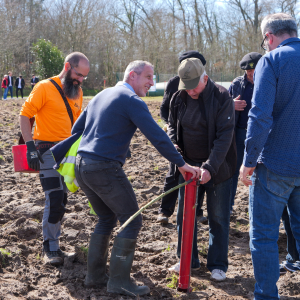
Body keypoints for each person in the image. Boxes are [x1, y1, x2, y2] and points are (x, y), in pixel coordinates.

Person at [72, 60, 201, 296]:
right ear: (132, 75)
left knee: (105, 218)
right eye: (149, 77)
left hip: (82, 166)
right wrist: (182, 165)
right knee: (132, 221)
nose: (152, 83)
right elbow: (157, 137)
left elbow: (76, 130)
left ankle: (95, 276)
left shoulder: (102, 94)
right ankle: (119, 281)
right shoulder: (131, 100)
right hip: (104, 167)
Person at [239, 13, 300, 299]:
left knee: (263, 235)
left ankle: (265, 295)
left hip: (276, 163)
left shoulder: (272, 61)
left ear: (269, 37)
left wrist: (249, 161)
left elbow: (260, 116)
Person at [168, 57, 236, 281]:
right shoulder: (178, 97)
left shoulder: (221, 96)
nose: (189, 91)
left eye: (193, 86)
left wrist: (209, 167)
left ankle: (217, 264)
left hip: (218, 169)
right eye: (185, 87)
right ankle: (187, 259)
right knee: (183, 217)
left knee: (218, 217)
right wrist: (176, 150)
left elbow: (224, 136)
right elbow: (171, 126)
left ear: (204, 78)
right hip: (187, 168)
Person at [19, 52, 90, 266]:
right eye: (78, 74)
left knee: (62, 199)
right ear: (68, 66)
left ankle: (55, 244)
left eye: (84, 77)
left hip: (68, 151)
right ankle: (49, 246)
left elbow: (78, 126)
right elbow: (25, 115)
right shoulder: (43, 87)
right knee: (54, 196)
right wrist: (30, 147)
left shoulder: (78, 92)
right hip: (46, 150)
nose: (80, 80)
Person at [157, 50, 207, 225]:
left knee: (197, 175)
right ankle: (165, 210)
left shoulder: (206, 85)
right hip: (177, 136)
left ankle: (197, 210)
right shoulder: (173, 84)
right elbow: (164, 108)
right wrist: (167, 124)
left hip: (198, 140)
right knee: (173, 174)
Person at [228, 52, 262, 213]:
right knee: (234, 169)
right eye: (248, 72)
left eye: (254, 71)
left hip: (262, 134)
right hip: (240, 132)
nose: (251, 74)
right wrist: (230, 104)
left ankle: (261, 208)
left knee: (262, 171)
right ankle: (229, 206)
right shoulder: (236, 84)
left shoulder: (269, 82)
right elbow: (221, 104)